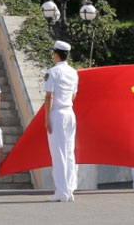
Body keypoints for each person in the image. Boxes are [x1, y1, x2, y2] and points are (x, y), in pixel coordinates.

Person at [44, 40, 79, 201]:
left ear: (57, 54)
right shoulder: (73, 72)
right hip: (70, 112)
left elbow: (49, 96)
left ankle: (62, 191)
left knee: (58, 153)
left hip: (57, 113)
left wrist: (46, 118)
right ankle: (70, 188)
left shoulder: (53, 72)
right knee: (69, 151)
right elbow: (74, 95)